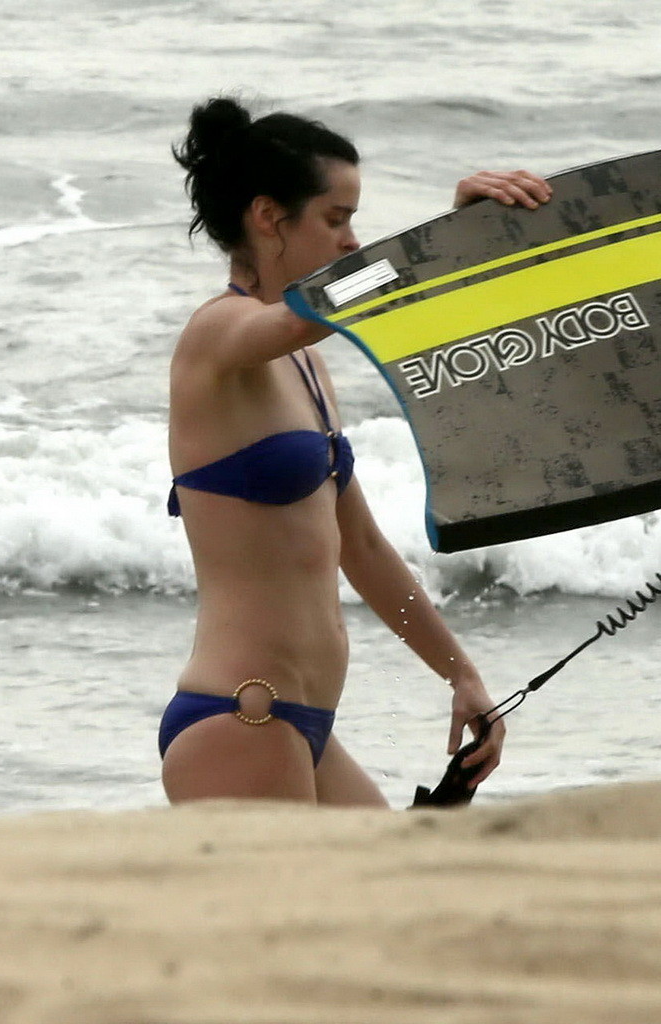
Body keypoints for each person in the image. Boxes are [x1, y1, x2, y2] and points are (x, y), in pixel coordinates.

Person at [158, 96, 552, 806]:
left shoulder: (306, 368)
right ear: (269, 218)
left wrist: (459, 674)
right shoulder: (217, 340)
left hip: (305, 726)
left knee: (408, 897)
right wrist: (440, 240)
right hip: (241, 717)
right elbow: (331, 306)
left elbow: (362, 548)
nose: (349, 241)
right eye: (336, 220)